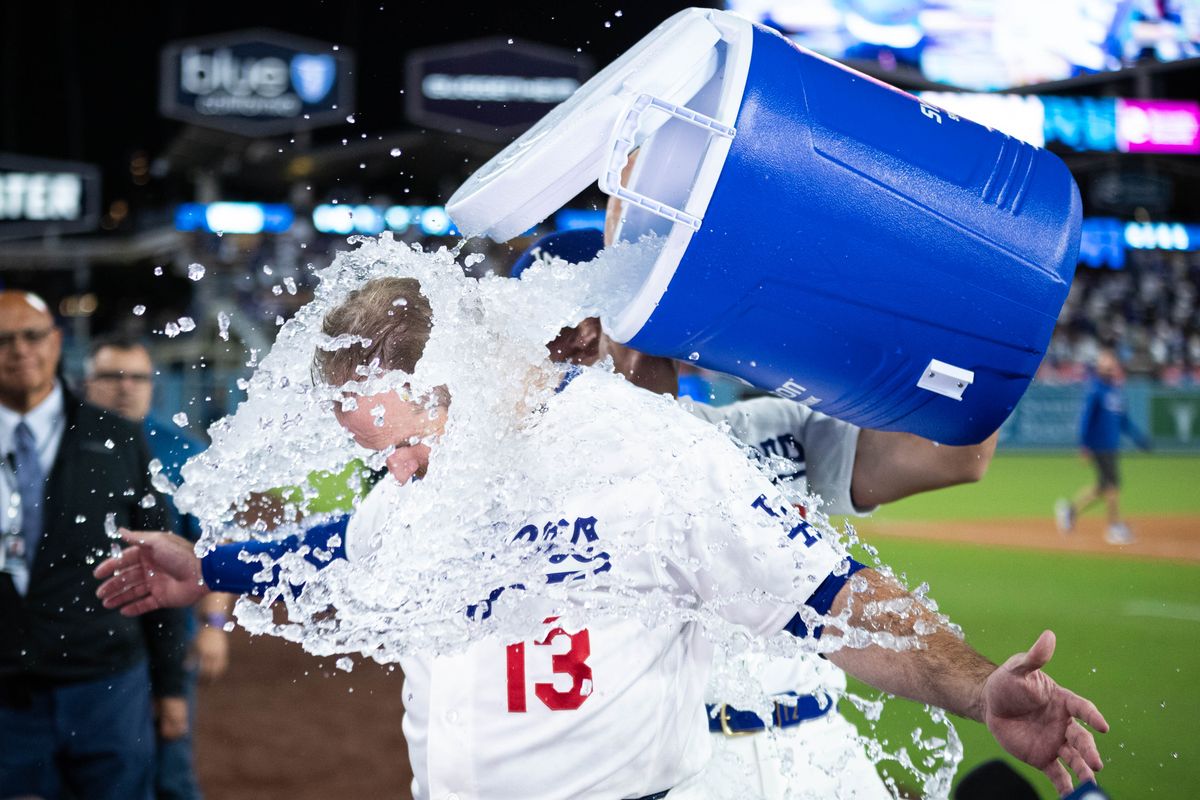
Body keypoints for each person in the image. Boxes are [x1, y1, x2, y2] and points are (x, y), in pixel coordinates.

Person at [95, 276, 1105, 800]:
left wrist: (977, 685)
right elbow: (350, 550)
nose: (392, 472)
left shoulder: (649, 456)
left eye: (399, 443)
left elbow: (835, 599)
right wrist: (208, 566)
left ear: (456, 381)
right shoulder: (434, 466)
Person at [517, 227, 999, 798]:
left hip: (827, 749)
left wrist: (974, 289)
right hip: (688, 767)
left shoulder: (760, 427)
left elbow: (955, 455)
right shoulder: (542, 488)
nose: (563, 348)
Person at [0, 290, 188, 800]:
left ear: (56, 343)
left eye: (32, 336)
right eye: (3, 339)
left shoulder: (118, 438)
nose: (19, 350)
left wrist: (170, 687)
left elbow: (158, 564)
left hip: (106, 687)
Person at [85, 334, 235, 800]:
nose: (125, 387)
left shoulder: (184, 453)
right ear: (87, 383)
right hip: (85, 642)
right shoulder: (65, 448)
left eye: (137, 377)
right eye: (112, 376)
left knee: (170, 768)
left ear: (153, 385)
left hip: (166, 637)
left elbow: (215, 545)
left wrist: (213, 624)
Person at [1055, 347, 1150, 545]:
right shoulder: (1095, 389)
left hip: (1112, 445)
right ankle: (1114, 528)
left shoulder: (1116, 391)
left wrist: (1139, 439)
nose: (1109, 367)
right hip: (1099, 445)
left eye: (1111, 364)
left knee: (1103, 486)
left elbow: (1124, 421)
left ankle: (1069, 511)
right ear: (1099, 368)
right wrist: (1084, 445)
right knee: (1113, 486)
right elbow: (1085, 418)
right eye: (1105, 364)